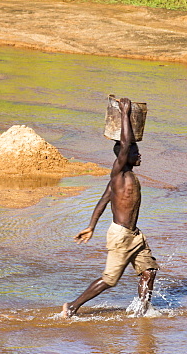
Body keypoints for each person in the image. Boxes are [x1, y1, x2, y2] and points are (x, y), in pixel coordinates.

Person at [61, 97, 158, 318]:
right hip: (121, 236)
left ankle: (142, 313)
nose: (139, 154)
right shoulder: (119, 173)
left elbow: (103, 200)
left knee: (149, 271)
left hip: (134, 235)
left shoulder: (125, 178)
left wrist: (91, 226)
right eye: (136, 152)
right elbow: (124, 145)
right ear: (124, 157)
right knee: (110, 280)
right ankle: (72, 307)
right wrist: (124, 113)